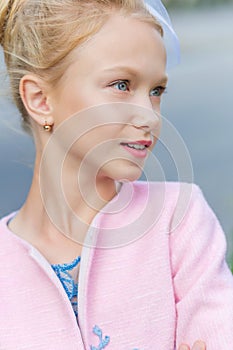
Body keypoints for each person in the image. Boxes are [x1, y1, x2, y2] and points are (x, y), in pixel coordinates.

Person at [0, 0, 232, 349]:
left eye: (156, 92)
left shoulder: (178, 220)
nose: (150, 117)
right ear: (40, 99)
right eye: (122, 85)